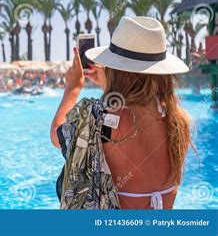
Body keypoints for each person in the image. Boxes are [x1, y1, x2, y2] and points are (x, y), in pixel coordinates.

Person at [50, 16, 192, 209]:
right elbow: (132, 112)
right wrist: (111, 90)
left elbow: (58, 135)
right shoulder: (176, 118)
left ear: (115, 69)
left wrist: (72, 88)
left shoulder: (99, 119)